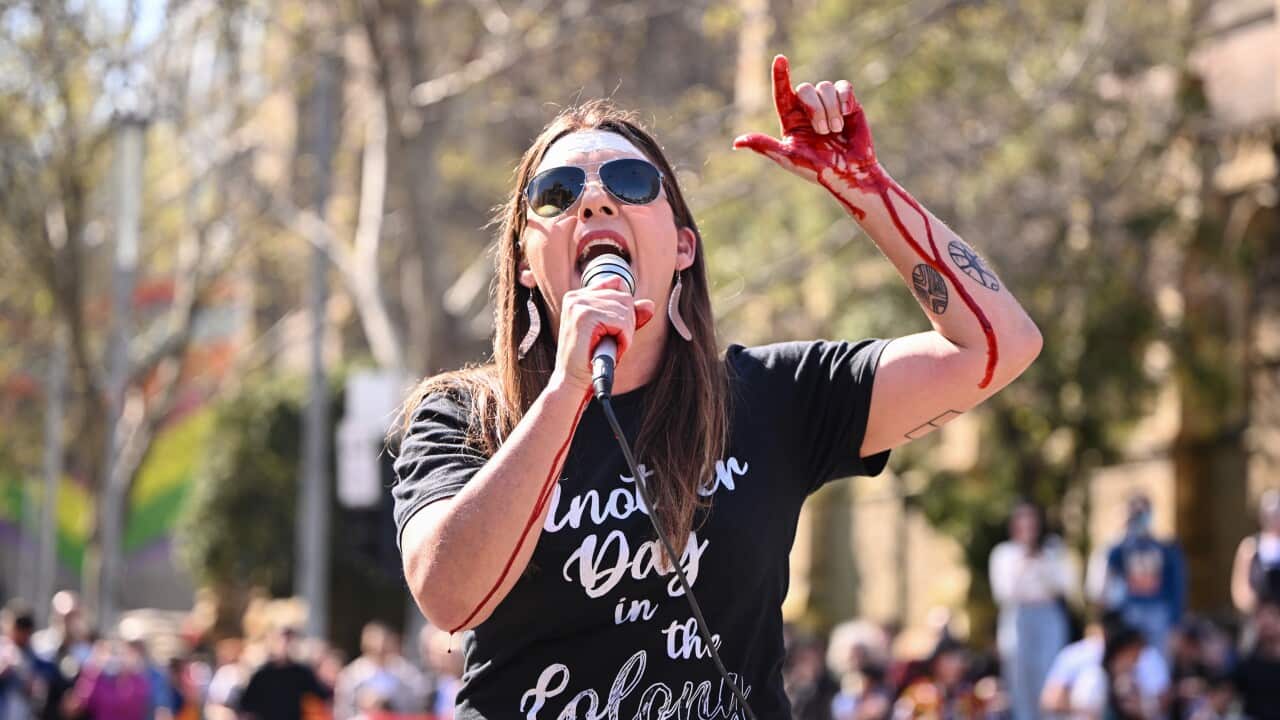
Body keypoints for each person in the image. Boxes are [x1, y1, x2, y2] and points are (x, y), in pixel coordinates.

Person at [392, 53, 1042, 719]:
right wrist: (567, 389)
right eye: (556, 193)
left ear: (682, 246)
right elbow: (450, 597)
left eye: (631, 181)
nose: (594, 199)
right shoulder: (464, 418)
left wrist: (865, 189)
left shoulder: (772, 397)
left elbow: (1000, 345)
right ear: (526, 262)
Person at [989, 500, 1075, 720]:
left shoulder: (1053, 549)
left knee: (1049, 676)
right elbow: (1004, 592)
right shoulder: (1004, 554)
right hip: (1018, 619)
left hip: (1048, 617)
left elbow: (1064, 585)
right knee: (1020, 680)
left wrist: (1041, 561)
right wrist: (1024, 560)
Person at [1092, 494, 1187, 657]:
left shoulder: (1165, 547)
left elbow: (1178, 586)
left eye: (1142, 512)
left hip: (1158, 613)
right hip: (1128, 612)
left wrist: (1175, 622)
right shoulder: (1118, 548)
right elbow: (1105, 576)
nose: (1139, 518)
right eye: (1134, 512)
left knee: (1158, 662)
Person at [1041, 613, 1170, 719]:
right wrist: (1086, 708)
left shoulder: (1141, 662)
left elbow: (1162, 699)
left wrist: (1138, 705)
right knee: (1093, 680)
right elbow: (1050, 700)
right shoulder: (1083, 658)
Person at [333, 622, 428, 720]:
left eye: (384, 643)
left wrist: (389, 703)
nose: (380, 647)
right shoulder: (352, 675)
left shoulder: (406, 673)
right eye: (374, 643)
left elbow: (417, 704)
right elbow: (343, 711)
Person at [237, 626, 332, 720]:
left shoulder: (301, 673)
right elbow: (246, 706)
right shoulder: (261, 675)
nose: (284, 645)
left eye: (288, 640)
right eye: (280, 640)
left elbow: (322, 693)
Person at [1231, 489, 1280, 616]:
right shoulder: (1250, 547)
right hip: (1257, 620)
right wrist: (1261, 610)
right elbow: (1240, 592)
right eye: (1270, 515)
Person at [1232, 596, 1280, 720]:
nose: (1267, 621)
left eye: (1272, 615)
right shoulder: (1247, 663)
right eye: (1261, 616)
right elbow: (1226, 693)